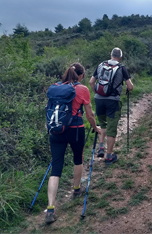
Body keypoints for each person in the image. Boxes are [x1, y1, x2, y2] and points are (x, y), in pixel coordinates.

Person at [45, 62, 101, 224]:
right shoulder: (82, 89)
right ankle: (76, 189)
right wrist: (95, 127)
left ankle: (50, 208)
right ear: (81, 75)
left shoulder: (55, 87)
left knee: (56, 167)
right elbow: (90, 114)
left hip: (55, 130)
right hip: (76, 129)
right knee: (78, 158)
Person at [89, 47, 133, 166]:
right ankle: (109, 156)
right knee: (112, 128)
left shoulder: (101, 65)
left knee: (102, 124)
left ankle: (101, 147)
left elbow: (91, 82)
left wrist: (97, 93)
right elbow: (130, 86)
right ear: (120, 57)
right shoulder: (122, 68)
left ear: (111, 55)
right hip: (113, 101)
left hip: (99, 100)